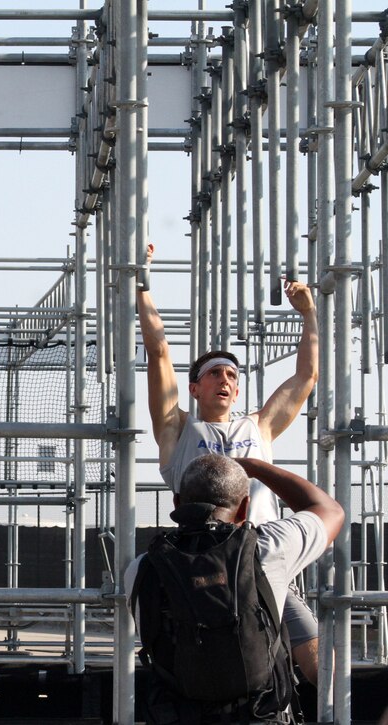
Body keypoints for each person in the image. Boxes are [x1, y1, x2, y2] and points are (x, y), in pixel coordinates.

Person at [136, 242, 323, 684]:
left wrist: (309, 314)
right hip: (203, 563)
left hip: (262, 560)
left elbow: (305, 377)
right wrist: (141, 279)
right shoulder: (177, 430)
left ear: (237, 392)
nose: (225, 379)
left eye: (232, 376)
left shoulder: (259, 426)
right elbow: (159, 352)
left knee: (319, 665)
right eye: (215, 373)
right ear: (195, 387)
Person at [126, 454, 344, 724]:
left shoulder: (142, 568)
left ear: (177, 503)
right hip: (259, 716)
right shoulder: (268, 549)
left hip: (177, 716)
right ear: (244, 509)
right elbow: (329, 509)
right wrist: (254, 467)